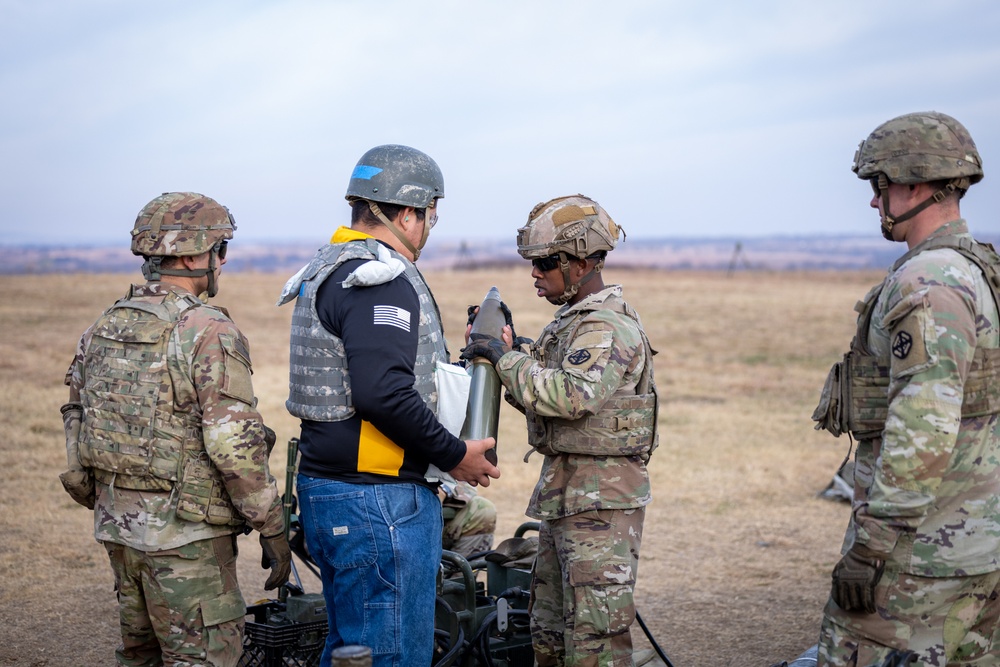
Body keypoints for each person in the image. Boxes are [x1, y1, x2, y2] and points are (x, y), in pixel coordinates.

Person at [277, 144, 501, 667]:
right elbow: (383, 392)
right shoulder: (379, 280)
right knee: (391, 656)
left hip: (334, 491)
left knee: (352, 651)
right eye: (430, 215)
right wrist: (454, 454)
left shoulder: (328, 267)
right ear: (406, 213)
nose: (429, 228)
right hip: (377, 503)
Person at [58, 192, 291, 667]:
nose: (222, 263)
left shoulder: (103, 324)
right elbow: (234, 446)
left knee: (140, 657)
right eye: (219, 249)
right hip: (188, 543)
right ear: (191, 255)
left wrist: (106, 501)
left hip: (119, 532)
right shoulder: (207, 331)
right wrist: (272, 525)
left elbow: (76, 421)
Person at [811, 111, 1000, 666]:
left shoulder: (928, 282)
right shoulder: (980, 270)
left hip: (923, 553)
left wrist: (870, 549)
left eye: (880, 185)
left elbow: (923, 429)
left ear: (916, 182)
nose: (875, 201)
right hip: (976, 543)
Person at [461, 194, 659, 667]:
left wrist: (502, 357)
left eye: (547, 263)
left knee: (594, 640)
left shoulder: (603, 326)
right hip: (570, 496)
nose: (536, 274)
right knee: (549, 633)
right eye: (534, 263)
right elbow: (540, 396)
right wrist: (510, 353)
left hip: (599, 505)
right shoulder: (572, 323)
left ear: (584, 262)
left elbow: (569, 395)